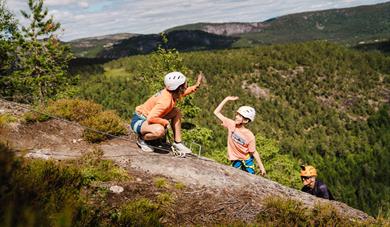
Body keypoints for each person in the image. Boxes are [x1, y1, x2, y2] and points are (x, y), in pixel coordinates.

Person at [131, 71, 203, 153]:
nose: (186, 85)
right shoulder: (165, 101)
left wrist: (196, 86)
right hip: (140, 120)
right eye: (185, 84)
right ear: (179, 88)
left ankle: (178, 142)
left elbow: (185, 92)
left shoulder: (172, 92)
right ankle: (142, 139)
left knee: (176, 111)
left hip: (148, 118)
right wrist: (165, 122)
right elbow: (151, 118)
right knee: (159, 131)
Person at [213, 96, 266, 175]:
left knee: (250, 179)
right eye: (237, 115)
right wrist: (226, 99)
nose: (236, 117)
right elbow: (216, 112)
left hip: (247, 161)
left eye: (240, 116)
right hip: (236, 160)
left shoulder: (249, 135)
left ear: (246, 120)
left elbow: (253, 152)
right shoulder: (231, 124)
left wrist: (261, 167)